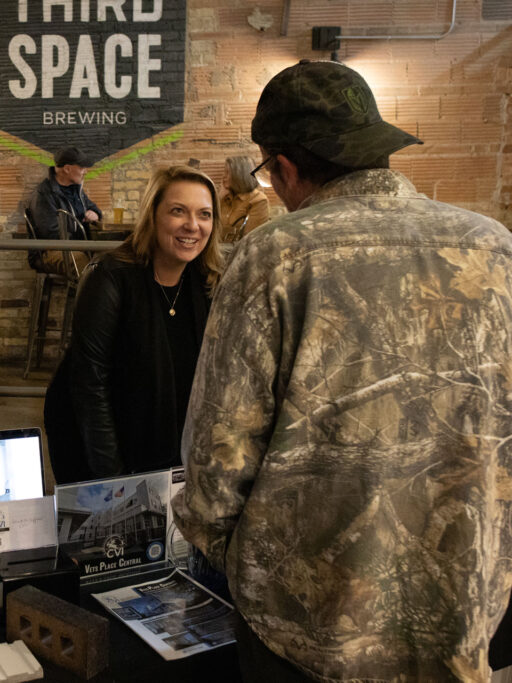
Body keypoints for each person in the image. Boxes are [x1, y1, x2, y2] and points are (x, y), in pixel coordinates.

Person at [171, 59, 512, 682]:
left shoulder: (275, 254)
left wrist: (225, 548)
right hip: (462, 600)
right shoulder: (494, 246)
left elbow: (219, 451)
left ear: (286, 167)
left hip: (310, 616)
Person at [44, 166, 223, 483]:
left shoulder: (207, 280)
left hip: (173, 451)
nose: (193, 226)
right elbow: (89, 385)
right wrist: (114, 481)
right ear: (153, 215)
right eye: (177, 211)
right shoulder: (109, 276)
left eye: (204, 214)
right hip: (101, 449)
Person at [27, 146, 102, 278]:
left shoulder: (75, 189)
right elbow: (51, 234)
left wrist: (94, 213)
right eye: (82, 167)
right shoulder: (44, 194)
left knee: (108, 258)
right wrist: (82, 245)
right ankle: (86, 297)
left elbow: (93, 207)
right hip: (48, 251)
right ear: (67, 169)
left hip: (75, 246)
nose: (86, 171)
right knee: (82, 261)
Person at [218, 155, 270, 242]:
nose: (223, 176)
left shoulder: (258, 200)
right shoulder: (225, 196)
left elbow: (250, 240)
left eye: (227, 173)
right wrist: (219, 197)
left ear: (239, 175)